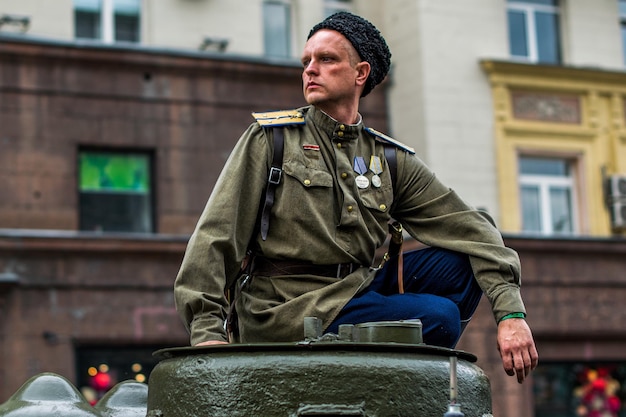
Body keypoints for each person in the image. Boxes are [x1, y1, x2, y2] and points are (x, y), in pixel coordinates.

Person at [174, 11, 539, 383]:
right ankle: (403, 374)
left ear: (360, 73)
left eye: (326, 59)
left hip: (357, 291)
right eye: (306, 61)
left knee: (463, 257)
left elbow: (472, 229)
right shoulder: (271, 139)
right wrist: (207, 334)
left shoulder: (389, 159)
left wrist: (511, 315)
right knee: (438, 317)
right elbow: (216, 236)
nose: (310, 70)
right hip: (286, 309)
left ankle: (395, 376)